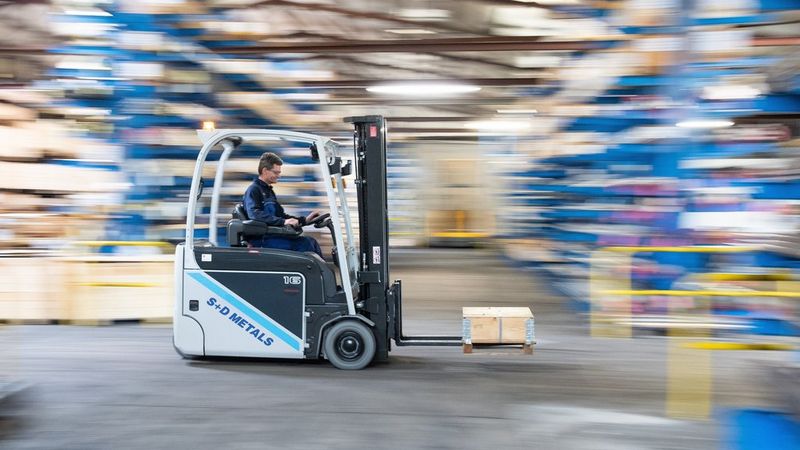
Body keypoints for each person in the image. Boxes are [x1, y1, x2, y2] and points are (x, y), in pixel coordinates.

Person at [243, 152, 323, 257]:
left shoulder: (268, 192)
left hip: (273, 236)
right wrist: (283, 221)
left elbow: (281, 215)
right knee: (305, 244)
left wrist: (304, 220)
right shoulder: (254, 190)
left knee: (311, 241)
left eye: (279, 173)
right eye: (276, 173)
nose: (278, 176)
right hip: (263, 239)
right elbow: (254, 214)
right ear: (265, 171)